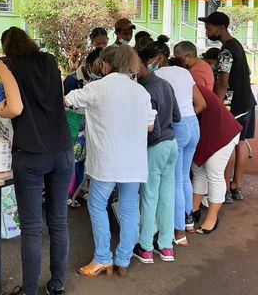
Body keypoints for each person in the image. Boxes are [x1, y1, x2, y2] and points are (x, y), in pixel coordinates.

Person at [65, 45, 156, 278]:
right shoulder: (140, 92)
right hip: (134, 161)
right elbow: (150, 125)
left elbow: (68, 101)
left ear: (105, 65)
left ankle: (103, 258)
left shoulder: (97, 88)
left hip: (107, 161)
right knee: (128, 209)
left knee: (96, 205)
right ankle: (123, 260)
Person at [0, 27, 73, 295]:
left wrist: (1, 110)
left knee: (31, 228)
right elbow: (59, 100)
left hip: (30, 154)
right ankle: (57, 284)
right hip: (63, 151)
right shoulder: (50, 60)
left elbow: (15, 108)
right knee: (59, 221)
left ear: (7, 47)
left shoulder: (6, 63)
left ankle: (30, 290)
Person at [144, 35, 206, 246]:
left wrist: (174, 123)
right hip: (192, 125)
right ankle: (188, 220)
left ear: (159, 58)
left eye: (149, 60)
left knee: (175, 181)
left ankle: (179, 231)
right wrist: (187, 118)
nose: (148, 65)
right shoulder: (184, 72)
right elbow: (201, 104)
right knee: (183, 176)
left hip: (176, 128)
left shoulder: (158, 76)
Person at [203, 11, 257, 203]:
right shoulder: (237, 45)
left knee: (228, 145)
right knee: (240, 144)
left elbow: (224, 82)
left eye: (209, 28)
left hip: (232, 105)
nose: (206, 31)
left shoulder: (226, 51)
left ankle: (225, 188)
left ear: (221, 28)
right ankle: (236, 185)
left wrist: (215, 105)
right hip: (247, 103)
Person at [133, 51, 180, 264]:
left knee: (149, 196)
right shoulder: (164, 84)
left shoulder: (144, 90)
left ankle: (145, 247)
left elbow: (152, 129)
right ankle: (166, 246)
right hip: (172, 144)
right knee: (166, 196)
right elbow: (176, 116)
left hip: (155, 146)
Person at [191, 85, 242, 233]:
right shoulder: (183, 84)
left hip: (222, 131)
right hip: (205, 131)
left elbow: (200, 106)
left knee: (214, 172)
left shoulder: (190, 85)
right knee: (198, 169)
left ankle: (212, 217)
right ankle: (194, 209)